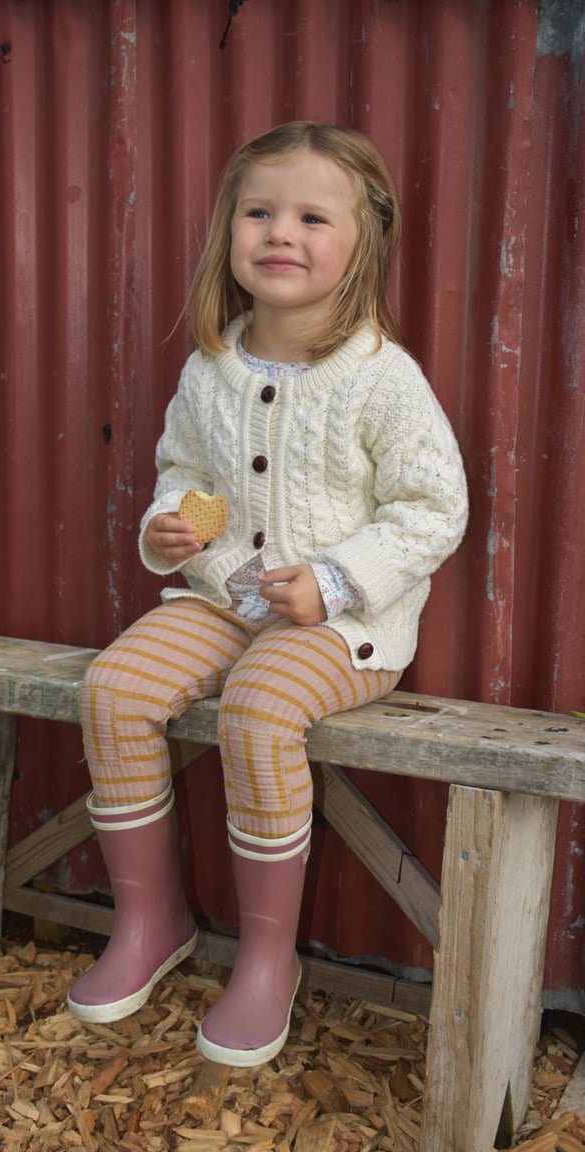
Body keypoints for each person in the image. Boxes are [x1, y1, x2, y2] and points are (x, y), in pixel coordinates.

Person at [66, 121, 468, 1067]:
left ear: (361, 244)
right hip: (218, 600)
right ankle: (149, 919)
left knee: (255, 713)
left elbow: (432, 508)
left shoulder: (379, 378)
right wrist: (174, 527)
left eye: (310, 216)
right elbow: (181, 472)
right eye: (259, 211)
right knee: (113, 691)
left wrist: (334, 581)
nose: (280, 232)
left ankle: (266, 957)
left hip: (345, 626)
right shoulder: (213, 366)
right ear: (229, 233)